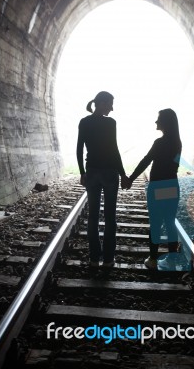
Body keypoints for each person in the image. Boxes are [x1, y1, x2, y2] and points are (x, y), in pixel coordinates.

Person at [76, 91, 129, 268]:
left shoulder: (84, 122)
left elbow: (79, 149)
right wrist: (122, 174)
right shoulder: (110, 123)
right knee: (110, 217)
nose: (112, 108)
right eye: (110, 104)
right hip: (109, 173)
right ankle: (108, 259)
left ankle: (93, 258)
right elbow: (114, 150)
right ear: (102, 102)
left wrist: (82, 172)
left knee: (93, 217)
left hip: (91, 172)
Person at [127, 108, 182, 269]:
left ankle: (152, 260)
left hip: (157, 186)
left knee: (156, 223)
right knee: (170, 223)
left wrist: (130, 178)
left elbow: (146, 161)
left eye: (159, 119)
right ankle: (171, 260)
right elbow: (175, 165)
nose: (156, 122)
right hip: (172, 185)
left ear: (165, 122)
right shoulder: (177, 142)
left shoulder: (160, 143)